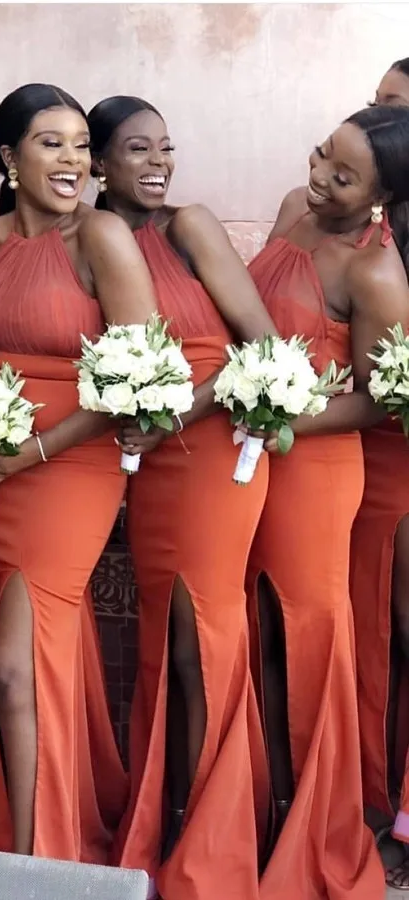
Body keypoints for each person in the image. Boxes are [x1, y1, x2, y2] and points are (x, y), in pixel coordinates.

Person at [86, 95, 276, 900]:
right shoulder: (86, 242)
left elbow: (261, 347)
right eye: (138, 149)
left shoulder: (189, 226)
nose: (159, 162)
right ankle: (167, 820)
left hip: (212, 451)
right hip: (143, 463)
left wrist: (174, 417)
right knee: (165, 638)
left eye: (165, 147)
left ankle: (215, 837)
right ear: (98, 163)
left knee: (205, 635)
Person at [0, 82, 157, 863]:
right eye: (52, 143)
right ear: (9, 158)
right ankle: (44, 829)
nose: (73, 159)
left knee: (14, 671)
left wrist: (33, 451)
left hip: (71, 468)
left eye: (81, 144)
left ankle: (34, 861)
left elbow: (140, 377)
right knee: (34, 658)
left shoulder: (102, 237)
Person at [247, 104, 409, 899]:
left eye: (343, 176)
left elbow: (380, 400)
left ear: (383, 198)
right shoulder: (292, 209)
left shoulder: (375, 273)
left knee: (306, 632)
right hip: (250, 455)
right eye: (320, 155)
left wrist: (284, 418)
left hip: (313, 467)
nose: (318, 178)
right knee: (258, 627)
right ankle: (267, 802)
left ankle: (317, 822)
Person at [351, 73, 409, 890]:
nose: (378, 116)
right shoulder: (352, 219)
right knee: (368, 635)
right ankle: (365, 799)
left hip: (399, 451)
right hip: (352, 452)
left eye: (395, 110)